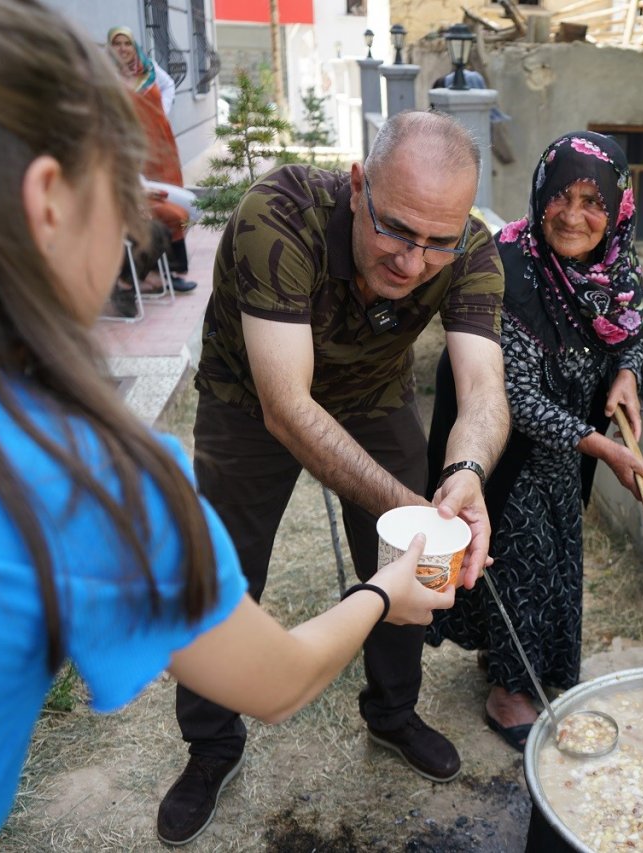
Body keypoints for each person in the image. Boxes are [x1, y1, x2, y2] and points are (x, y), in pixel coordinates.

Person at [0, 1, 453, 849]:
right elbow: (278, 680)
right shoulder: (83, 479)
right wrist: (385, 588)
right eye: (122, 190)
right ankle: (208, 752)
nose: (140, 224)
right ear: (48, 200)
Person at [161, 109, 509, 844]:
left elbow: (483, 391)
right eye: (395, 230)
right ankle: (211, 746)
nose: (413, 263)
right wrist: (419, 508)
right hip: (250, 398)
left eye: (437, 242)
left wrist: (467, 470)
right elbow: (287, 406)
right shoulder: (278, 215)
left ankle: (392, 711)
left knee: (401, 564)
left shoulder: (473, 248)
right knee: (220, 572)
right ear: (359, 186)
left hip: (372, 398)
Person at [426, 131, 643, 751]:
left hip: (566, 455)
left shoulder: (615, 268)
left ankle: (511, 665)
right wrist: (605, 447)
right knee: (520, 557)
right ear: (539, 195)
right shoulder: (507, 271)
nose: (575, 215)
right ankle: (510, 694)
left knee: (555, 560)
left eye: (593, 201)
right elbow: (517, 399)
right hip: (505, 452)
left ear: (617, 210)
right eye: (562, 196)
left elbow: (633, 328)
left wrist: (628, 374)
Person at [106, 26, 199, 295]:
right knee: (158, 207)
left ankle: (175, 270)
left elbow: (169, 85)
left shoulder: (148, 69)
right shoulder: (109, 79)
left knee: (171, 198)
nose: (123, 48)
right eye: (117, 44)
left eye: (127, 43)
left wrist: (161, 112)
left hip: (161, 143)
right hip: (136, 153)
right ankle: (158, 272)